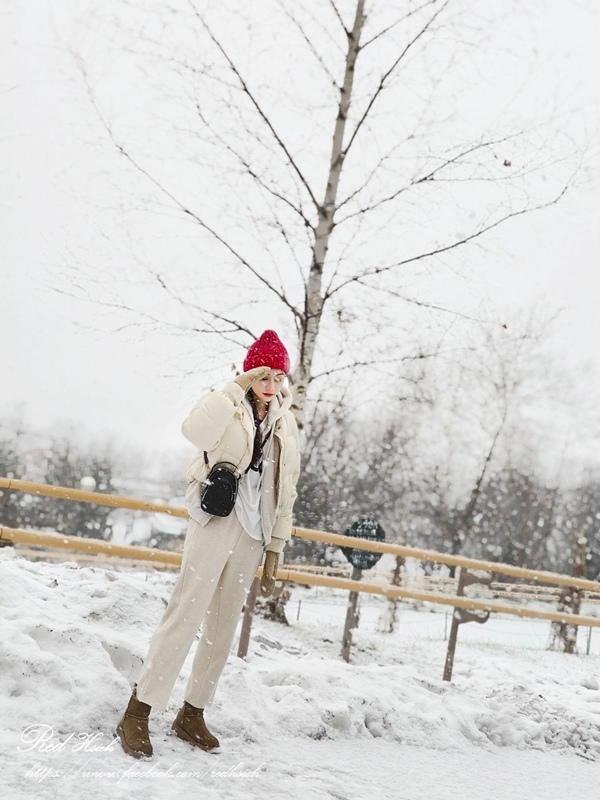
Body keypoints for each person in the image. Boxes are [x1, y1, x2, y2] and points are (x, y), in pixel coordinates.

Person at [116, 330, 301, 759]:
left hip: (255, 529)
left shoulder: (286, 421)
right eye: (262, 374)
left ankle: (192, 712)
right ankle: (137, 712)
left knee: (222, 626)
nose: (270, 385)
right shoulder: (228, 403)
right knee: (187, 609)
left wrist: (276, 546)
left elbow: (287, 488)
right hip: (217, 518)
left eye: (277, 376)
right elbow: (193, 431)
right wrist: (234, 387)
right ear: (249, 371)